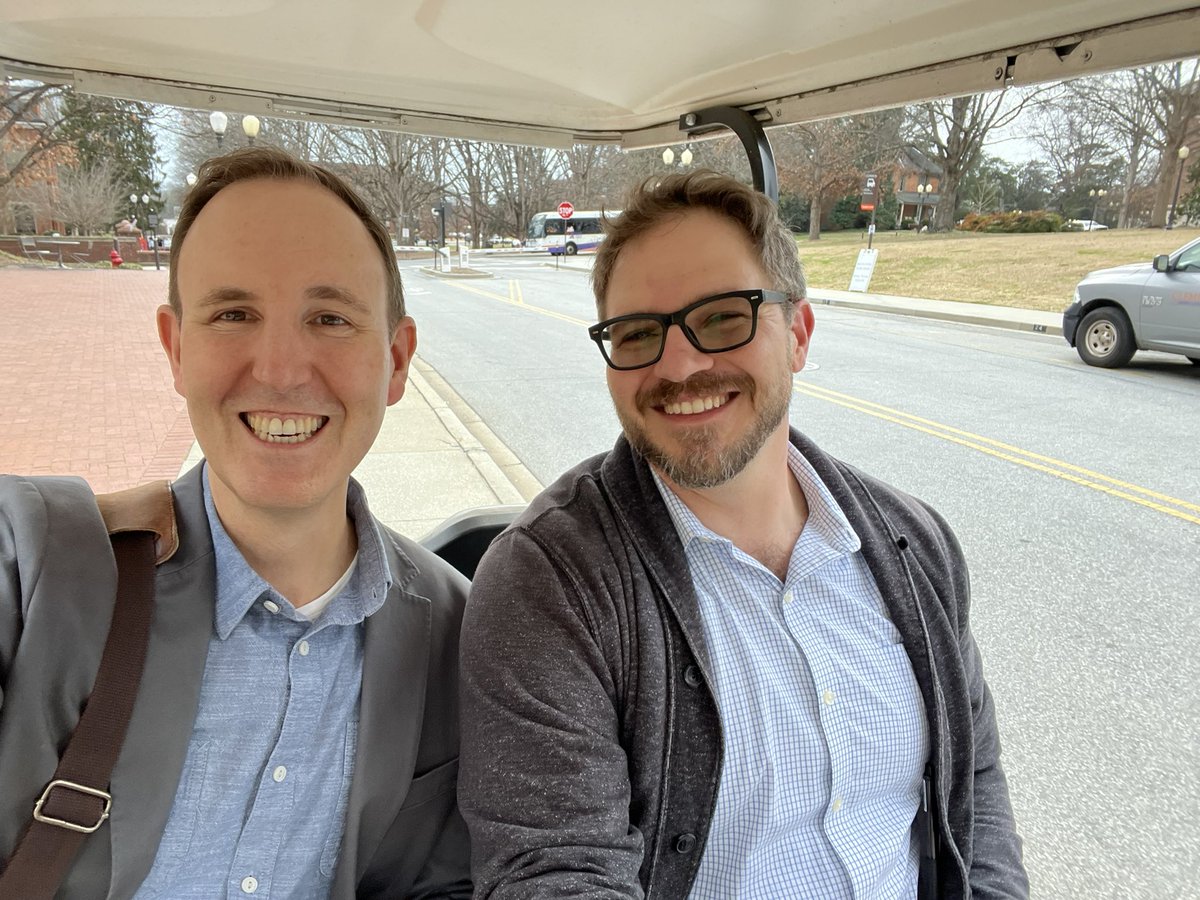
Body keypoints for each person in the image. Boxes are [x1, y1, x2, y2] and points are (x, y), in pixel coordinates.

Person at [459, 171, 1028, 898]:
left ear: (797, 332)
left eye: (723, 317)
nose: (680, 365)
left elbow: (973, 796)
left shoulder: (915, 546)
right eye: (637, 333)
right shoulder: (553, 583)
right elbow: (554, 872)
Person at [0, 146, 471, 898]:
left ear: (396, 359)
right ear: (176, 349)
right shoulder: (38, 564)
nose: (281, 369)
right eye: (233, 313)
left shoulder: (458, 632)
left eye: (329, 317)